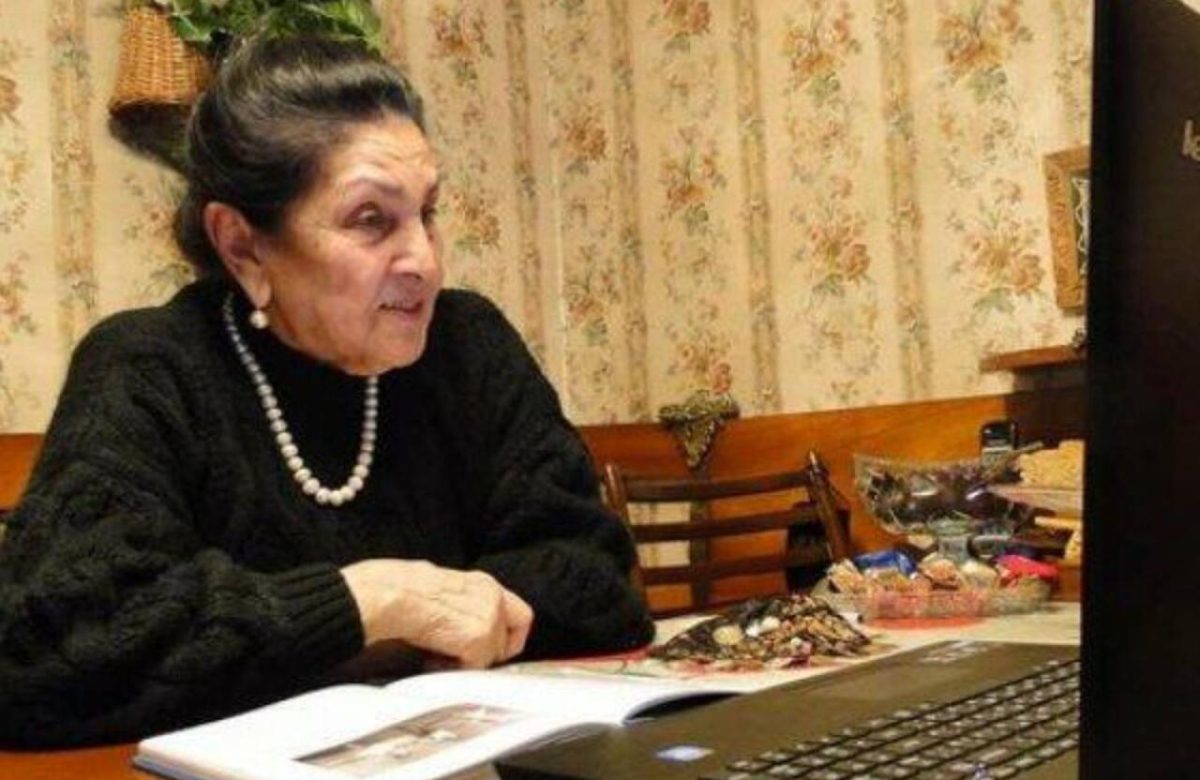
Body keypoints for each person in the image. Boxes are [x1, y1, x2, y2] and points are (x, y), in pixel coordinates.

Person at [0, 35, 654, 747]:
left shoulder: (469, 345)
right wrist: (369, 602)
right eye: (371, 220)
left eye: (428, 212)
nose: (425, 262)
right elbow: (47, 657)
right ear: (242, 246)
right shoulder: (150, 369)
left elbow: (598, 581)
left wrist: (399, 629)